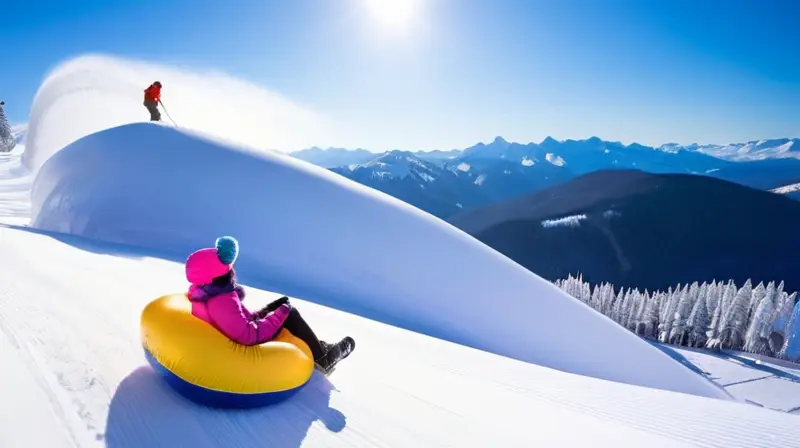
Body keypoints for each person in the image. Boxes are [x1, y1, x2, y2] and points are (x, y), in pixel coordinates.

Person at [184, 236, 355, 374]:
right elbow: (248, 335)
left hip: (244, 332)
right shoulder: (221, 301)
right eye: (229, 268)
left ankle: (318, 345)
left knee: (282, 304)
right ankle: (322, 359)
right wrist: (279, 315)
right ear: (220, 274)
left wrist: (262, 314)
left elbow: (238, 320)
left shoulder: (215, 294)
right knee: (290, 314)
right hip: (249, 344)